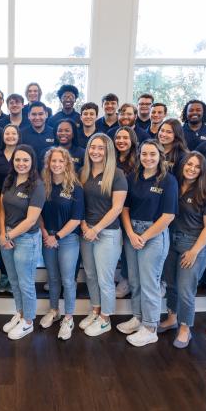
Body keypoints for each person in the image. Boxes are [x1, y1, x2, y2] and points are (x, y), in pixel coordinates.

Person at [118, 139, 177, 347]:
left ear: (160, 156)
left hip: (153, 236)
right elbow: (124, 209)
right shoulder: (133, 177)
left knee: (149, 283)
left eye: (153, 154)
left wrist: (144, 236)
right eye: (144, 154)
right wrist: (131, 234)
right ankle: (138, 318)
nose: (148, 158)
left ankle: (150, 327)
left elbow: (168, 216)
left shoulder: (168, 180)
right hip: (132, 233)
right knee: (134, 280)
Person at [158, 152, 206, 348]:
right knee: (171, 284)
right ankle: (172, 318)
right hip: (170, 241)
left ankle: (185, 328)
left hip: (192, 245)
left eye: (197, 166)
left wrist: (194, 252)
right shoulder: (173, 185)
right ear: (183, 165)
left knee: (186, 289)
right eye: (189, 164)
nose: (192, 168)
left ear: (202, 171)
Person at [78, 134, 127, 337]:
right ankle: (96, 310)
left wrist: (96, 229)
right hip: (86, 231)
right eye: (92, 147)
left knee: (105, 279)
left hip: (107, 233)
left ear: (108, 151)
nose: (95, 151)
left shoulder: (117, 175)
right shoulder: (83, 173)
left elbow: (117, 209)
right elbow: (78, 204)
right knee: (90, 274)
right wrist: (84, 227)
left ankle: (106, 318)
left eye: (100, 148)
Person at [0, 145, 45, 340]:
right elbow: (1, 208)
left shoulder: (37, 186)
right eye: (17, 160)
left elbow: (31, 220)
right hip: (7, 235)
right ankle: (20, 313)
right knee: (14, 280)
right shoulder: (9, 180)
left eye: (25, 160)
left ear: (32, 162)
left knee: (26, 283)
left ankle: (28, 322)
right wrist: (2, 233)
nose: (21, 163)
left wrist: (8, 236)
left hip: (27, 239)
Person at [39, 147, 84, 340]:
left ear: (67, 164)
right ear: (48, 163)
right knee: (53, 278)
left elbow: (76, 219)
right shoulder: (43, 185)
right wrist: (45, 234)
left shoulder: (75, 187)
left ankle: (68, 317)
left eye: (60, 161)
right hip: (47, 237)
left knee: (67, 280)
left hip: (68, 239)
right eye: (53, 161)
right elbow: (37, 212)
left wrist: (56, 238)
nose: (56, 164)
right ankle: (54, 310)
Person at [0, 124, 21, 294]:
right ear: (3, 136)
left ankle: (16, 276)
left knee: (18, 238)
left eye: (13, 133)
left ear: (18, 136)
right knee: (1, 237)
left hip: (18, 203)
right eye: (7, 133)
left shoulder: (23, 155)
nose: (10, 136)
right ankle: (4, 274)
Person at [112, 126, 139, 298]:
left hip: (131, 208)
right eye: (118, 137)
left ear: (132, 141)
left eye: (125, 138)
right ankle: (120, 272)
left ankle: (127, 279)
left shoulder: (138, 160)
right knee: (116, 242)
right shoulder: (110, 158)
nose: (121, 141)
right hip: (112, 207)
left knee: (128, 245)